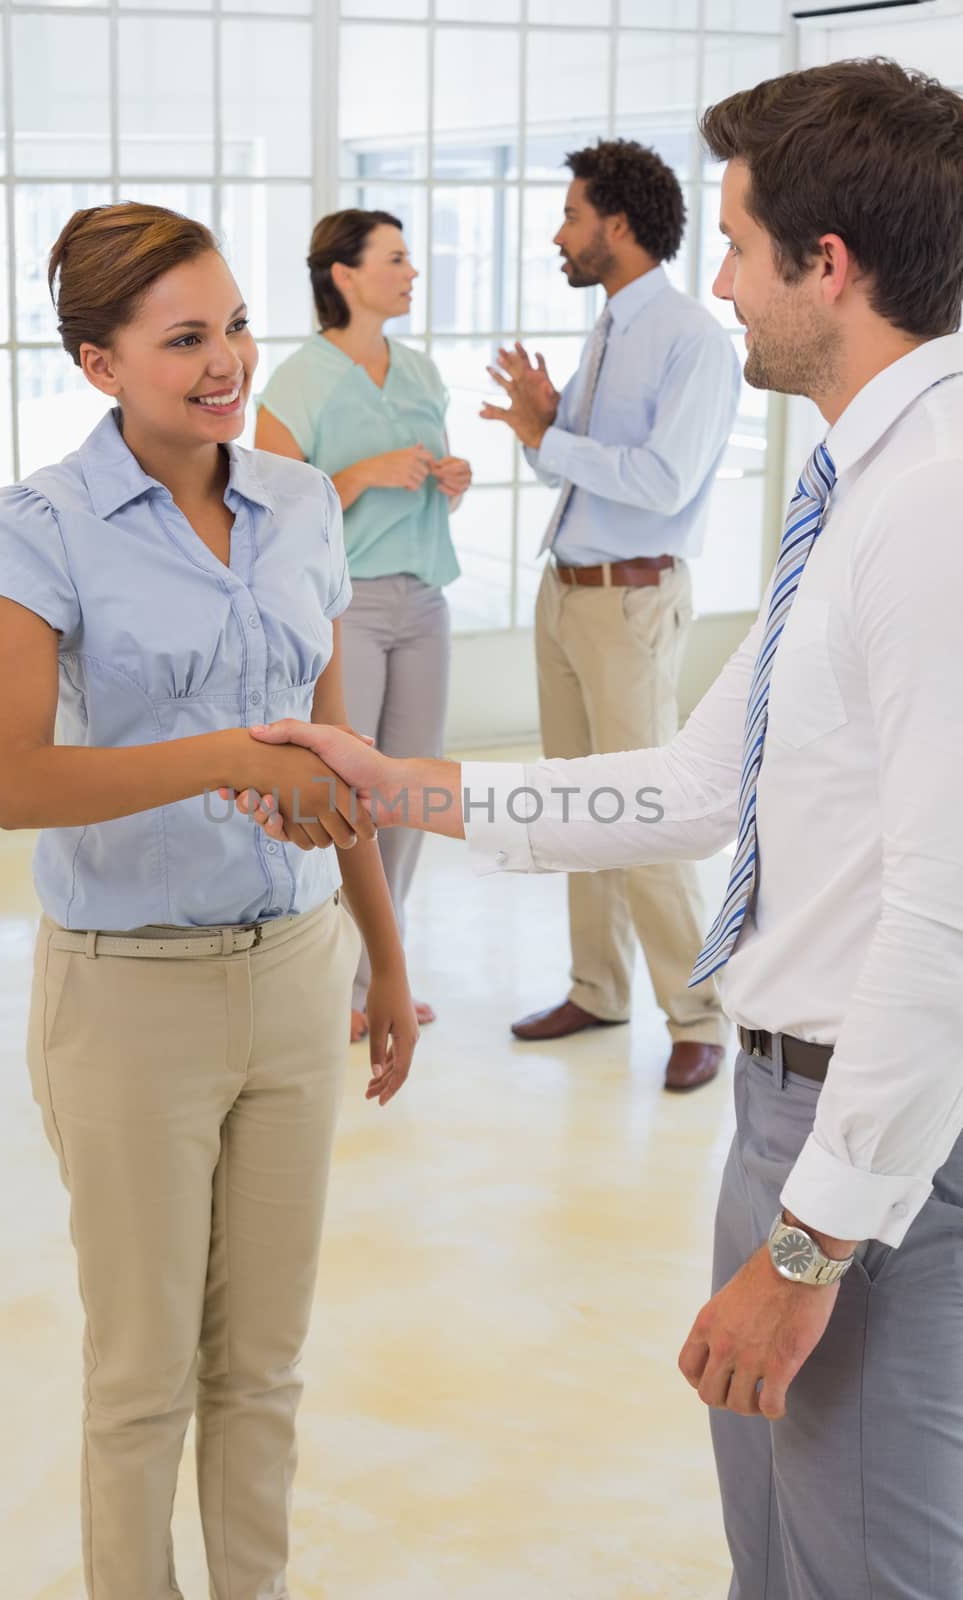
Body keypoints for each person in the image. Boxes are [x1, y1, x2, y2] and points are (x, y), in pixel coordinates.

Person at [238, 59, 963, 1598]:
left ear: (824, 269)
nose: (717, 279)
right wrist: (397, 782)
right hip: (789, 1121)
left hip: (861, 1152)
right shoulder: (864, 480)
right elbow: (697, 785)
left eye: (736, 241)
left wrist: (803, 1249)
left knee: (859, 1572)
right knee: (773, 1557)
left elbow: (943, 918)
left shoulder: (933, 504)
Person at [0, 201, 418, 1600]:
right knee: (142, 1377)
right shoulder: (38, 527)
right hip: (126, 998)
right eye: (182, 339)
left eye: (231, 324)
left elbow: (338, 756)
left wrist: (384, 961)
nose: (225, 361)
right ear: (100, 365)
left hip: (293, 975)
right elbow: (21, 782)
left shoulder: (292, 502)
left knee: (265, 1367)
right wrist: (229, 756)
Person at [482, 139, 740, 1093]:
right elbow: (570, 468)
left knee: (642, 811)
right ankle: (598, 988)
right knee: (575, 808)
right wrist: (542, 425)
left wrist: (557, 436)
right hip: (569, 594)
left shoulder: (689, 338)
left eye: (570, 214)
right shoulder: (607, 328)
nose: (560, 232)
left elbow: (665, 483)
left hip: (630, 600)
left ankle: (698, 1012)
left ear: (616, 225)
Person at [255, 209, 471, 1044]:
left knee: (410, 796)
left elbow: (433, 478)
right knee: (346, 797)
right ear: (343, 275)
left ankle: (381, 973)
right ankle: (332, 981)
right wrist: (357, 476)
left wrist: (450, 477)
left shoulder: (419, 371)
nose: (411, 271)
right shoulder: (297, 382)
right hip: (348, 606)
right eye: (395, 258)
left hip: (425, 600)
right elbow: (269, 517)